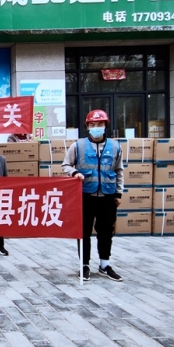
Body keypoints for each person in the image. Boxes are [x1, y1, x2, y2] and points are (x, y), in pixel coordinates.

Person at [62, 109, 124, 282]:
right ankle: (84, 265)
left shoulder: (115, 147)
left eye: (100, 124)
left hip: (108, 195)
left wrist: (119, 192)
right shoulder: (78, 146)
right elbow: (66, 165)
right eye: (93, 124)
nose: (96, 127)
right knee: (83, 232)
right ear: (88, 127)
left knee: (106, 231)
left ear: (105, 126)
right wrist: (75, 173)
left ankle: (105, 264)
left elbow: (119, 170)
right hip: (84, 196)